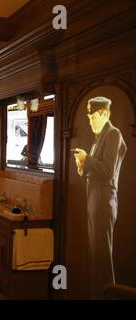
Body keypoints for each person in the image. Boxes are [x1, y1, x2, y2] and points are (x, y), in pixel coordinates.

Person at [73, 96, 127, 298]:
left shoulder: (113, 134)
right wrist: (82, 165)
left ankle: (106, 296)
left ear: (104, 113)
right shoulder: (100, 137)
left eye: (92, 116)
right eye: (88, 116)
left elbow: (107, 171)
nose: (90, 120)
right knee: (96, 254)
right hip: (95, 197)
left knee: (102, 256)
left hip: (103, 199)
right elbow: (96, 168)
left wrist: (87, 159)